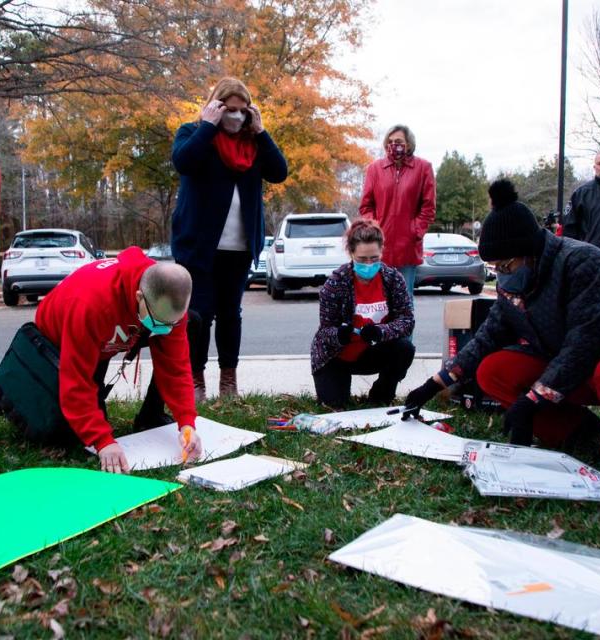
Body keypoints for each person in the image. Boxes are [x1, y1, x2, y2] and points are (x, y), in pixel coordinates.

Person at [402, 179, 600, 465]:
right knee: (493, 370)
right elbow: (486, 338)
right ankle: (575, 431)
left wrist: (532, 400)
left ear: (530, 251)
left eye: (506, 265)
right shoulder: (514, 284)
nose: (502, 274)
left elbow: (584, 343)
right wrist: (433, 385)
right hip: (573, 368)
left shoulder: (583, 262)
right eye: (495, 268)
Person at [34, 247, 203, 474]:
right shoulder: (91, 306)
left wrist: (186, 422)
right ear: (139, 296)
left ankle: (150, 415)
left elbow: (176, 368)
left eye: (171, 324)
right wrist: (103, 441)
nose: (165, 331)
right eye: (159, 323)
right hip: (58, 339)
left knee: (194, 322)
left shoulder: (166, 302)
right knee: (72, 434)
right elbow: (76, 380)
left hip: (122, 326)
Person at [171, 77, 288, 401]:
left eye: (241, 110)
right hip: (199, 247)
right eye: (228, 109)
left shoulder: (254, 145)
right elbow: (184, 162)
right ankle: (195, 383)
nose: (235, 116)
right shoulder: (193, 134)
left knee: (229, 315)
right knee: (198, 316)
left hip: (238, 249)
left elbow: (280, 172)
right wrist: (208, 125)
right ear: (215, 106)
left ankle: (228, 383)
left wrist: (262, 131)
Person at [311, 219, 416, 409]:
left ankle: (380, 396)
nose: (368, 264)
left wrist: (380, 331)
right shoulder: (335, 284)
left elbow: (407, 320)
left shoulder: (393, 279)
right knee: (335, 404)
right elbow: (325, 331)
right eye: (362, 259)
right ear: (351, 253)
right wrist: (340, 335)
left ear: (382, 252)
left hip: (373, 350)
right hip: (337, 355)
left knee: (405, 348)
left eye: (374, 258)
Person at [359, 124, 436, 298]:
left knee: (404, 299)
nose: (394, 145)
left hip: (407, 247)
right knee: (377, 299)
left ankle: (404, 327)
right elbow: (366, 206)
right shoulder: (375, 169)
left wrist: (415, 231)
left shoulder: (423, 168)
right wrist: (374, 229)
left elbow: (428, 207)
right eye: (391, 141)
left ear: (408, 144)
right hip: (379, 247)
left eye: (399, 141)